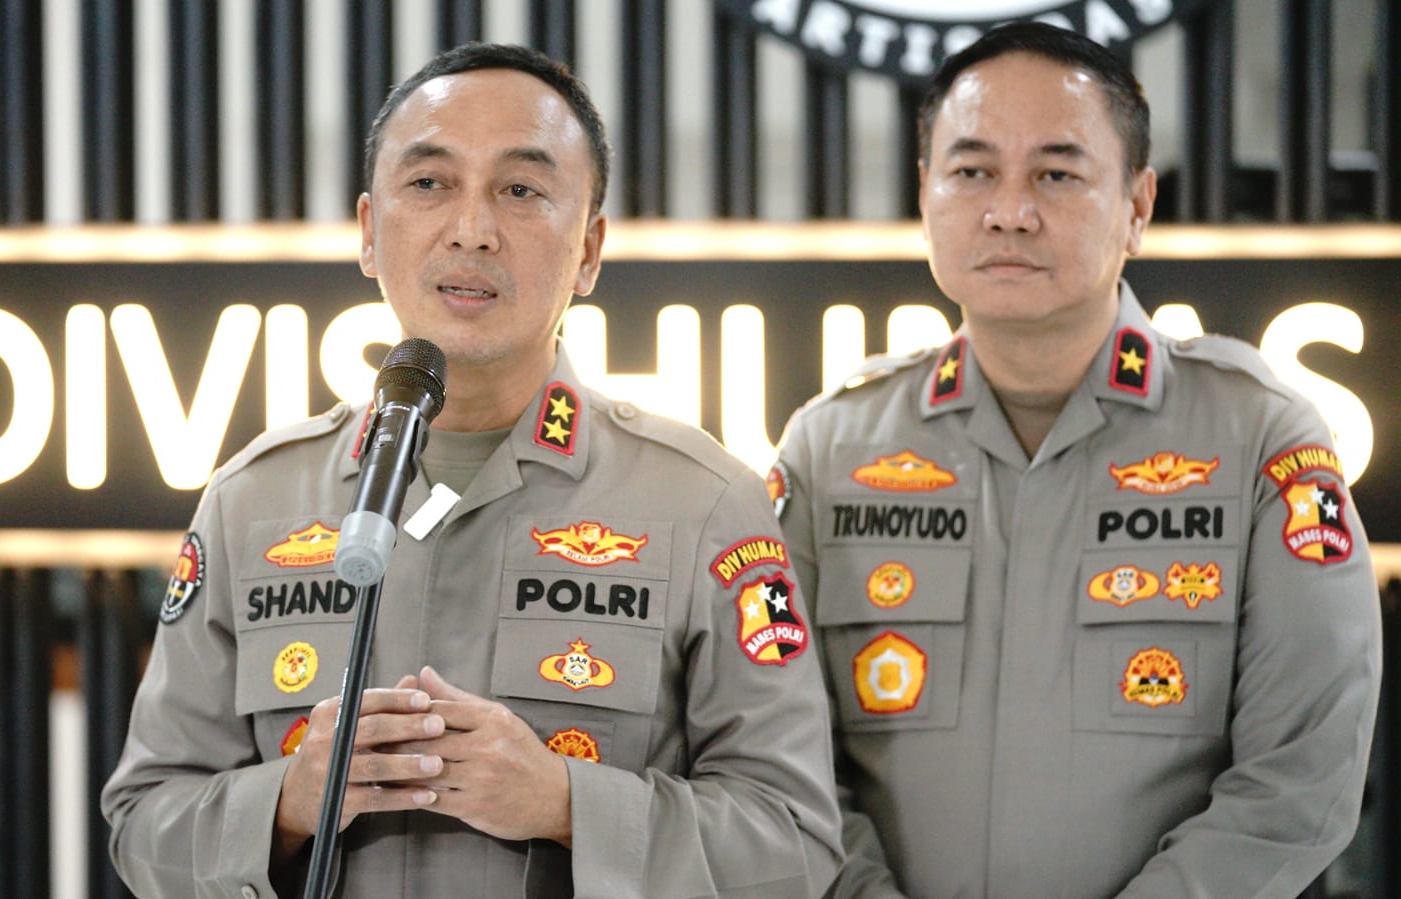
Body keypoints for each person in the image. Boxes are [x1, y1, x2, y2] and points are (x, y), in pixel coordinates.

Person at [102, 43, 842, 898]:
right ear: (369, 231)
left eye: (520, 190)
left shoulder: (704, 502)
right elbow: (143, 824)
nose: (471, 228)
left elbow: (795, 843)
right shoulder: (252, 501)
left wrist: (567, 803)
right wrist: (289, 801)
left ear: (589, 248)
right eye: (429, 183)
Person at [770, 21, 1381, 899]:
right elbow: (777, 757)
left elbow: (1300, 775)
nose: (1009, 210)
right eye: (971, 171)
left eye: (1055, 174)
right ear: (924, 191)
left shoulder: (1259, 437)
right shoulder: (830, 447)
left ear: (1137, 205)